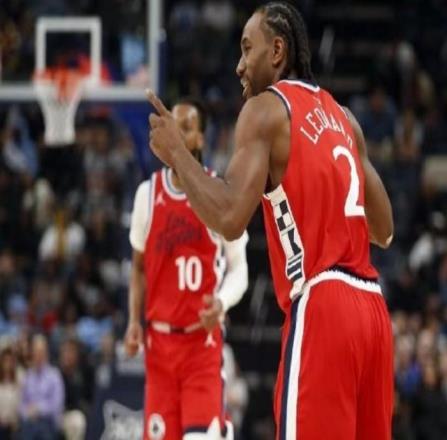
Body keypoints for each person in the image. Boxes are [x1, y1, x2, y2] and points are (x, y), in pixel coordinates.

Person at [147, 2, 394, 439]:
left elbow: (229, 218)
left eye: (247, 49)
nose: (239, 66)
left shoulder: (265, 109)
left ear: (277, 51)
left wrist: (178, 155)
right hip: (373, 310)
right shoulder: (345, 118)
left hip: (324, 304)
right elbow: (385, 229)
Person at [124, 97, 249, 440]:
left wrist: (221, 302)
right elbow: (138, 268)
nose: (178, 135)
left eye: (187, 128)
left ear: (200, 138)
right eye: (173, 128)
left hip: (201, 345)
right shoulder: (147, 195)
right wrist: (133, 321)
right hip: (159, 348)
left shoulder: (219, 194)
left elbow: (240, 270)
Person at [19, 334, 65, 439]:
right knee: (26, 428)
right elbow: (21, 403)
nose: (38, 355)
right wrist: (26, 412)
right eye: (36, 352)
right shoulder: (27, 376)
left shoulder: (54, 375)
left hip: (48, 422)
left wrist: (39, 409)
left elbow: (57, 405)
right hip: (29, 422)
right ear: (32, 353)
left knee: (41, 429)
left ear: (46, 353)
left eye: (41, 352)